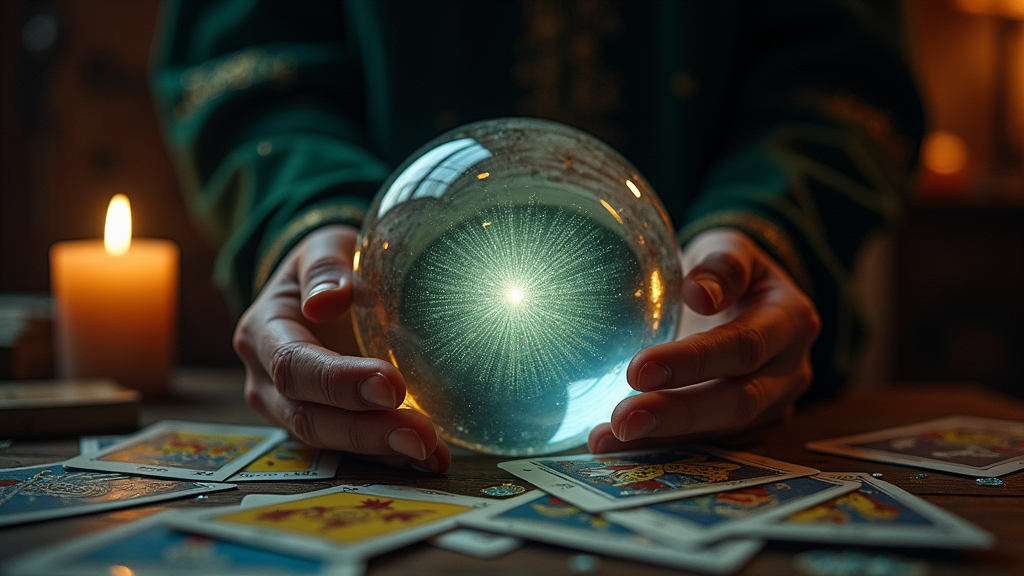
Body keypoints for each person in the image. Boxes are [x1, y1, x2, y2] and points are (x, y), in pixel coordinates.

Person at [151, 0, 923, 473]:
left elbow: (837, 79)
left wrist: (759, 230)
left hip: (725, 414)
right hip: (393, 384)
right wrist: (314, 216)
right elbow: (248, 60)